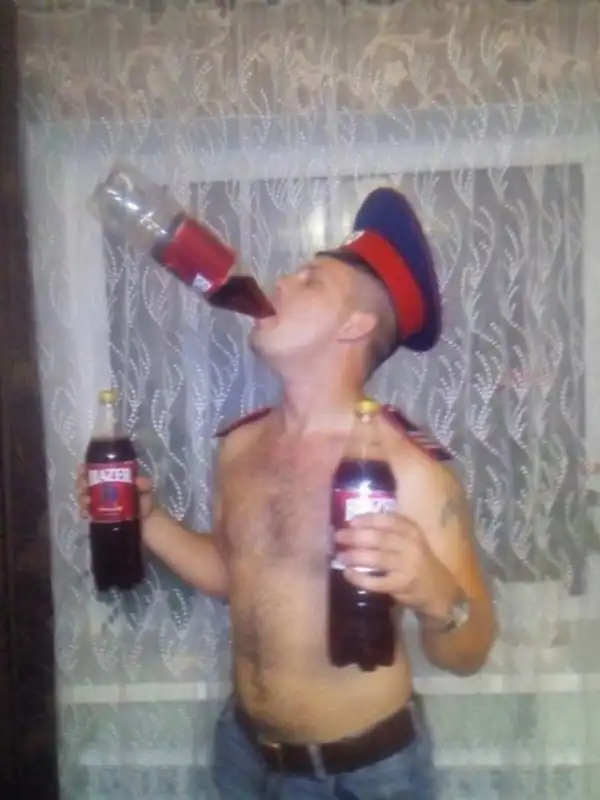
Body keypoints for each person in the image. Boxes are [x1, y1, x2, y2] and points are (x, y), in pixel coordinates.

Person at [78, 187, 496, 799]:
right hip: (244, 755)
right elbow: (238, 573)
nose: (280, 281)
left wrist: (438, 597)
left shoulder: (406, 469)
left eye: (310, 279)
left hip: (362, 776)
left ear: (355, 325)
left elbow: (471, 650)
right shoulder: (240, 446)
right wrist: (150, 520)